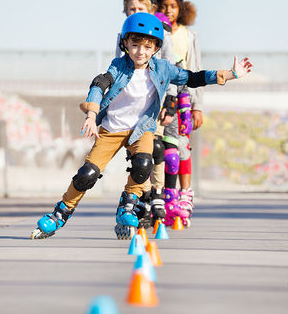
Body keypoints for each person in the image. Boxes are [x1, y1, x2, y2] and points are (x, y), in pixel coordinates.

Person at [30, 12, 252, 240]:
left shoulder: (163, 68)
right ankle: (62, 211)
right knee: (88, 173)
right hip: (111, 129)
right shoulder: (119, 66)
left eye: (147, 47)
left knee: (144, 163)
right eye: (135, 45)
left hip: (142, 129)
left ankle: (128, 204)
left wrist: (230, 74)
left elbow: (193, 77)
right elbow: (99, 84)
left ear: (156, 48)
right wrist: (91, 114)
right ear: (125, 43)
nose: (140, 52)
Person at [115, 0, 178, 229]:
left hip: (156, 101)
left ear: (151, 9)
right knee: (137, 155)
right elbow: (118, 67)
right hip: (131, 103)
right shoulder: (123, 34)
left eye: (140, 8)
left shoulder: (162, 32)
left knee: (157, 149)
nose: (135, 13)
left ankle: (158, 195)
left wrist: (171, 100)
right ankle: (140, 198)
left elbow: (172, 69)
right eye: (130, 9)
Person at [155, 0, 203, 227]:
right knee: (161, 152)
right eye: (163, 6)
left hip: (183, 98)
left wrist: (197, 106)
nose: (169, 10)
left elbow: (194, 70)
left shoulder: (188, 35)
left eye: (173, 6)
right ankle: (161, 198)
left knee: (182, 148)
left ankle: (185, 197)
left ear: (181, 8)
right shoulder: (155, 30)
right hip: (159, 96)